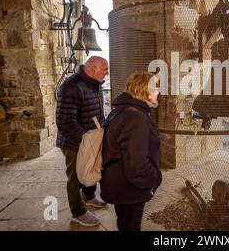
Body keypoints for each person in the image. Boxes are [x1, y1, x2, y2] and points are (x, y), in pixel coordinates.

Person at [100, 72, 162, 231]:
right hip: (129, 187)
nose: (158, 93)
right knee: (131, 226)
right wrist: (155, 178)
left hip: (118, 182)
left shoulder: (122, 110)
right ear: (145, 91)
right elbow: (137, 166)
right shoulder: (136, 118)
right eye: (156, 89)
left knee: (124, 224)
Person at [56, 56, 109, 226]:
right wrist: (85, 141)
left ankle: (90, 196)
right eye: (105, 69)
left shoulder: (94, 83)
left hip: (91, 138)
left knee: (91, 168)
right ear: (92, 68)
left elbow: (95, 111)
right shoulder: (71, 86)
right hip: (75, 142)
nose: (107, 73)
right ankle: (78, 213)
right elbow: (65, 122)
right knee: (76, 177)